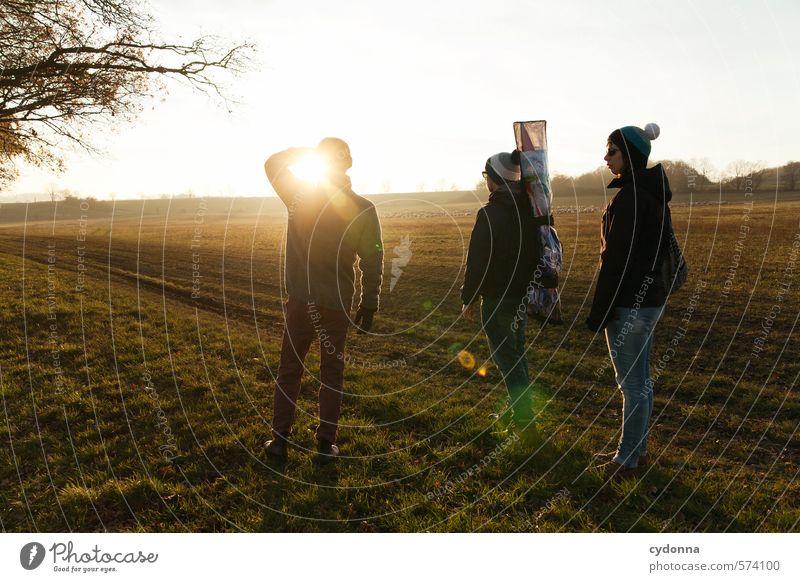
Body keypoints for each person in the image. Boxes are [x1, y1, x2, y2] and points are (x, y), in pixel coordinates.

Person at [263, 137, 383, 464]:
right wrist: (369, 302)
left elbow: (272, 165)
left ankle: (279, 442)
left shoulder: (298, 196)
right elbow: (373, 259)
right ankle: (325, 444)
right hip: (336, 304)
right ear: (348, 165)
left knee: (290, 368)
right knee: (332, 373)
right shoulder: (363, 208)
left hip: (302, 300)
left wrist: (300, 153)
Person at [586, 123, 671, 477]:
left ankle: (627, 460)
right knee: (641, 381)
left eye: (612, 151)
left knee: (632, 385)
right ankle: (637, 451)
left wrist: (599, 311)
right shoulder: (650, 193)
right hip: (650, 300)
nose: (605, 157)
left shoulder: (630, 198)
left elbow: (616, 262)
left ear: (630, 155)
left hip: (630, 304)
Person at [461, 150, 540, 435]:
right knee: (516, 355)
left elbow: (478, 260)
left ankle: (524, 419)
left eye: (486, 176)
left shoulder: (489, 214)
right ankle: (518, 410)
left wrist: (469, 297)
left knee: (507, 358)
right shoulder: (531, 210)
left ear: (493, 180)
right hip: (521, 296)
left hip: (496, 298)